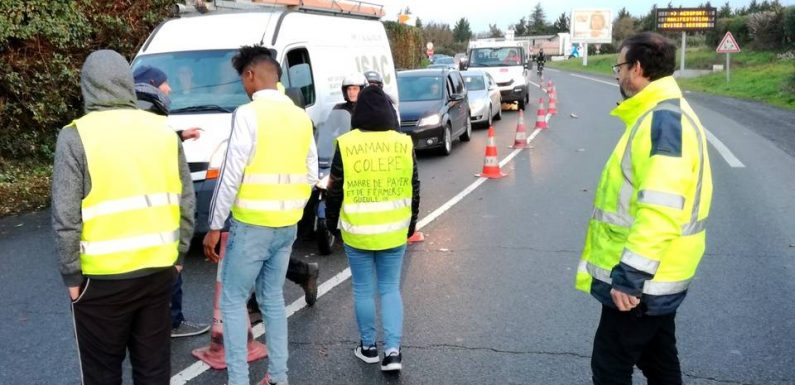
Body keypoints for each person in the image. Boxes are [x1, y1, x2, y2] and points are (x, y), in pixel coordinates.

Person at [574, 32, 713, 385]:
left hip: (643, 283)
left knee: (610, 368)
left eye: (619, 66)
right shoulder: (661, 114)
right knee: (659, 361)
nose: (617, 74)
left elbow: (661, 208)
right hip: (658, 277)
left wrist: (631, 279)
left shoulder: (663, 121)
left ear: (637, 68)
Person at [52, 49, 195, 384]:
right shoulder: (163, 131)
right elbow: (186, 201)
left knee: (102, 374)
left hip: (100, 282)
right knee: (154, 371)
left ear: (87, 86)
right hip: (158, 273)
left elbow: (65, 218)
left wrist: (72, 279)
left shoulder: (75, 136)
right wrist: (178, 257)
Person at [202, 45, 317, 385]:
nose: (243, 87)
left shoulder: (248, 114)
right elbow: (311, 171)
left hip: (252, 225)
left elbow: (230, 173)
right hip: (286, 227)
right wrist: (291, 204)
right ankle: (278, 377)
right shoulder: (300, 117)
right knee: (272, 300)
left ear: (251, 74)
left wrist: (213, 225)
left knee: (235, 301)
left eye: (243, 79)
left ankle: (238, 380)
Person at [325, 86, 420, 372]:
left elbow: (334, 190)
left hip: (357, 232)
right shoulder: (404, 143)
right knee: (390, 289)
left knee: (363, 290)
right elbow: (414, 187)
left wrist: (333, 226)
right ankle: (392, 352)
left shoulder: (346, 143)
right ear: (390, 113)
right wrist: (411, 225)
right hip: (394, 231)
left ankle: (368, 347)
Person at [133, 65, 208, 338]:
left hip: (140, 212)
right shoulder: (152, 121)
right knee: (168, 265)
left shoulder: (131, 119)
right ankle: (172, 322)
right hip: (159, 211)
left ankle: (153, 321)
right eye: (165, 83)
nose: (170, 89)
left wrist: (179, 136)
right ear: (152, 85)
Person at [134, 65, 202, 141]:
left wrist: (181, 135)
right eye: (165, 83)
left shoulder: (141, 105)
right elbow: (153, 142)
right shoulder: (147, 109)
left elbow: (155, 138)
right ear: (153, 83)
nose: (170, 89)